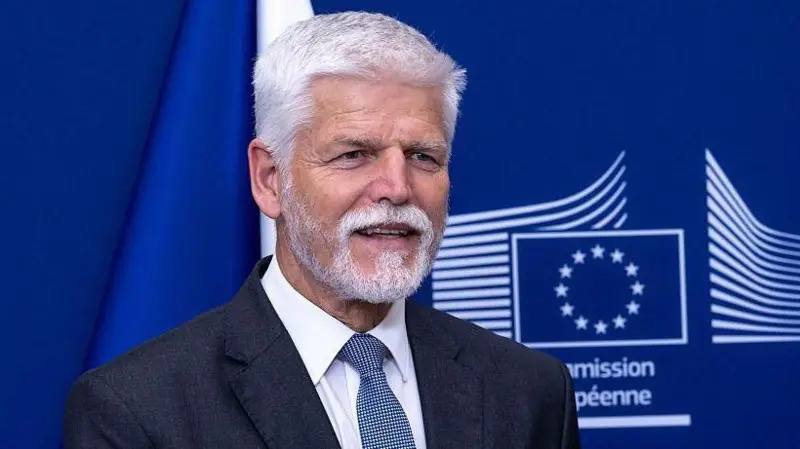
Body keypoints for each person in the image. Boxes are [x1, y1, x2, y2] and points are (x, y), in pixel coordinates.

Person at [64, 11, 580, 449]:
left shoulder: (530, 392)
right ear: (270, 179)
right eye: (354, 154)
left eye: (423, 156)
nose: (397, 187)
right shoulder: (139, 411)